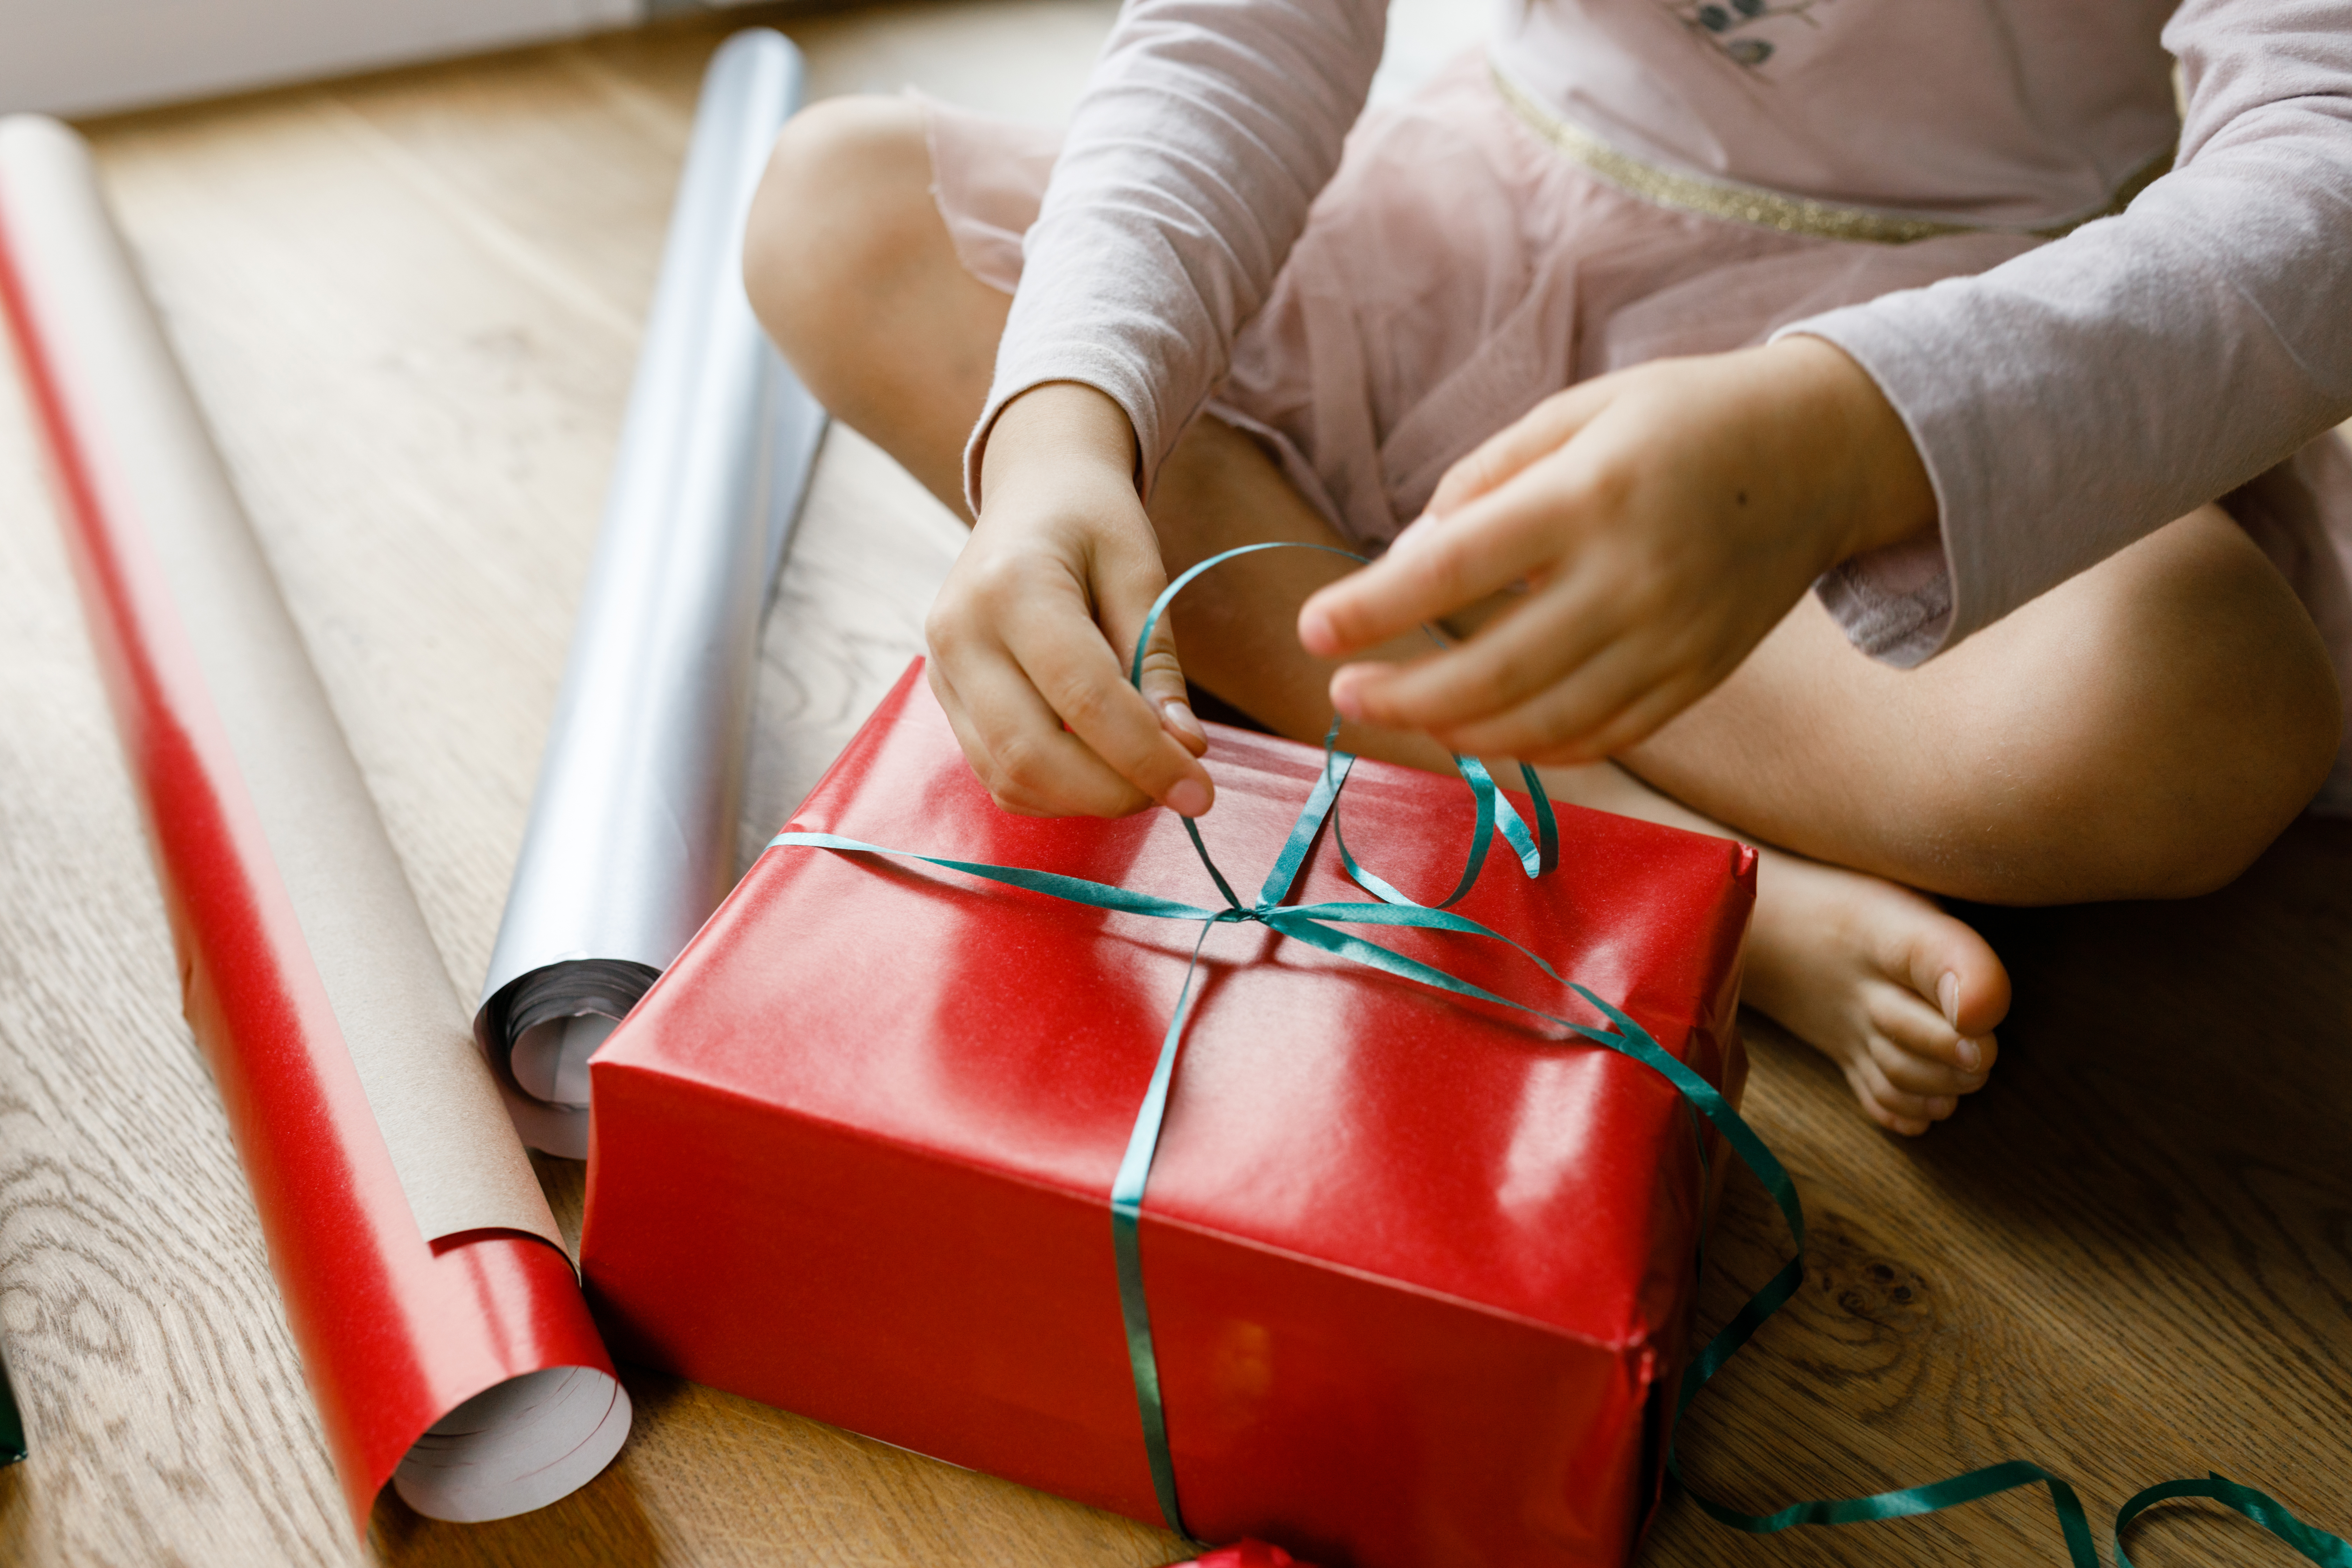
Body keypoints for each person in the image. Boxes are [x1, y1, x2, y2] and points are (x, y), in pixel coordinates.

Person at [740, 0, 2352, 1136]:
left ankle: (1454, 611)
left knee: (2195, 707)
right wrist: (1063, 445)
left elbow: (2321, 173)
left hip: (1946, 343)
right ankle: (1634, 853)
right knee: (841, 211)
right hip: (1480, 230)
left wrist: (1845, 443)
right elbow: (1247, 28)